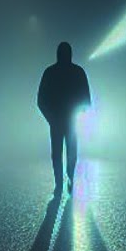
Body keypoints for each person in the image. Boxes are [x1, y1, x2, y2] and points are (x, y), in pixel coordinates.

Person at [37, 41, 91, 196]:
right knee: (71, 151)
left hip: (57, 120)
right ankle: (69, 179)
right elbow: (87, 99)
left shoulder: (50, 72)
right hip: (70, 120)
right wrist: (80, 114)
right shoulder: (78, 72)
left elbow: (41, 99)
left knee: (57, 153)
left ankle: (59, 183)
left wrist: (50, 117)